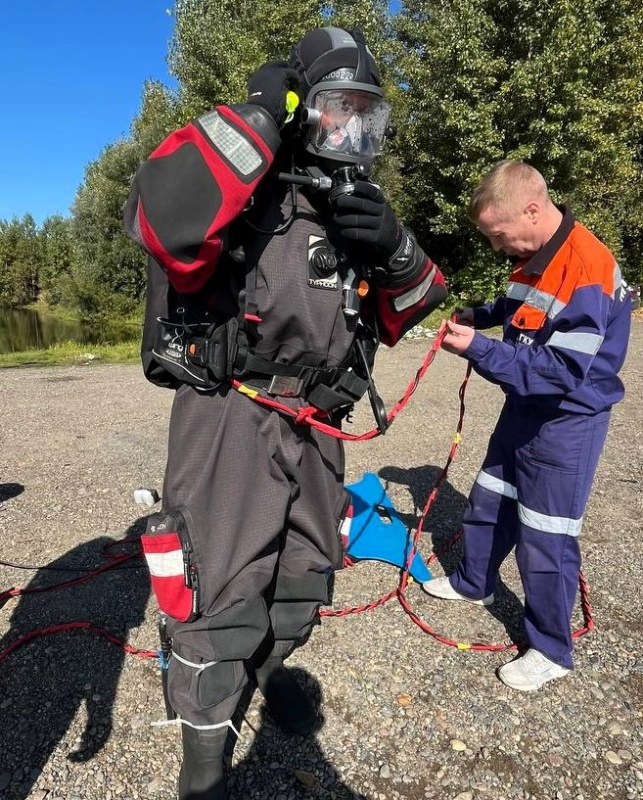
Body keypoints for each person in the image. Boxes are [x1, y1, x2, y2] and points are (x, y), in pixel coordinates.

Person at [124, 26, 447, 800]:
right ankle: (202, 757)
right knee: (217, 583)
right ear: (305, 107)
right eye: (338, 112)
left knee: (306, 570)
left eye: (367, 117)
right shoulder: (242, 179)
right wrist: (263, 113)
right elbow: (160, 216)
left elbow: (419, 299)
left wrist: (394, 243)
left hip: (319, 419)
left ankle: (264, 675)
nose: (351, 134)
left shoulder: (350, 204)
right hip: (233, 410)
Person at [422, 160, 631, 692]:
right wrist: (477, 316)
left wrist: (480, 350)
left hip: (566, 421)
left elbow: (562, 372)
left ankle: (551, 649)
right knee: (491, 495)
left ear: (532, 210)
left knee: (547, 534)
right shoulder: (536, 254)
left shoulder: (586, 267)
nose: (497, 247)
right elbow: (515, 308)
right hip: (524, 407)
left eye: (499, 235)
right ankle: (475, 582)